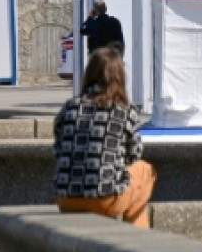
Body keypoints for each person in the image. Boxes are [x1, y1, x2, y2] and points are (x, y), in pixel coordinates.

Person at [53, 47, 156, 228]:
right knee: (145, 171)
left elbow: (59, 149)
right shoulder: (125, 110)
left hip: (66, 199)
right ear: (120, 77)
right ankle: (138, 237)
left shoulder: (69, 107)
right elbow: (134, 155)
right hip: (105, 200)